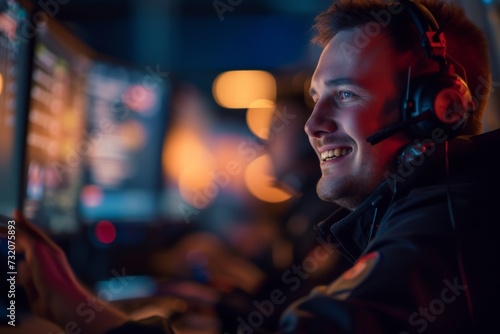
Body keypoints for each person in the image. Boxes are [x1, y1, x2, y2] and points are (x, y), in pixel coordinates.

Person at [12, 0, 500, 333]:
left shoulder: (448, 222)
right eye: (315, 99)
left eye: (346, 94)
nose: (314, 125)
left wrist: (84, 316)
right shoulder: (428, 207)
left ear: (436, 108)